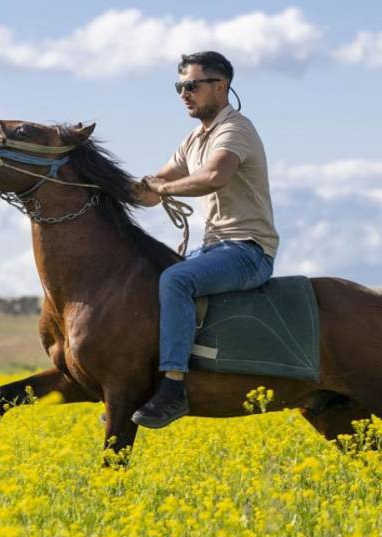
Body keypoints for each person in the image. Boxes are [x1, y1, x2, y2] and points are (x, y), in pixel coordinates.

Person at [131, 51, 280, 429]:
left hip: (248, 250)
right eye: (179, 86)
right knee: (151, 278)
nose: (184, 93)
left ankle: (173, 389)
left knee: (176, 279)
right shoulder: (194, 139)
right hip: (213, 248)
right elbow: (152, 187)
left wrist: (163, 188)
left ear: (221, 86)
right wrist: (111, 188)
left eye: (192, 85)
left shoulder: (235, 129)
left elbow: (213, 176)